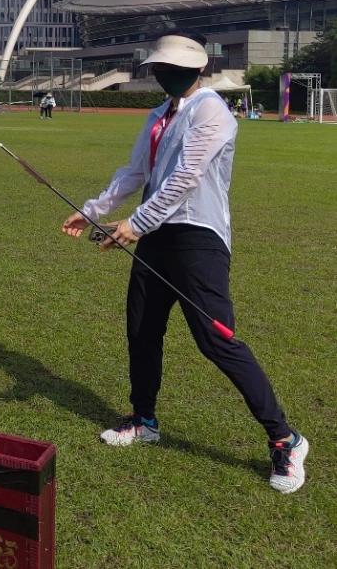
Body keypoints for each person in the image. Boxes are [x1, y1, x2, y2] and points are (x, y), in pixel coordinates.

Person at [61, 32, 307, 494]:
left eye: (173, 69)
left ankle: (285, 439)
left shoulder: (212, 110)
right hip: (155, 236)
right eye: (160, 68)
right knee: (142, 331)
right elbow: (137, 172)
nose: (165, 75)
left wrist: (135, 223)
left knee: (217, 340)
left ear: (197, 70)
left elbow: (185, 178)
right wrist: (93, 210)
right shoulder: (158, 115)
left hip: (198, 238)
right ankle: (144, 420)